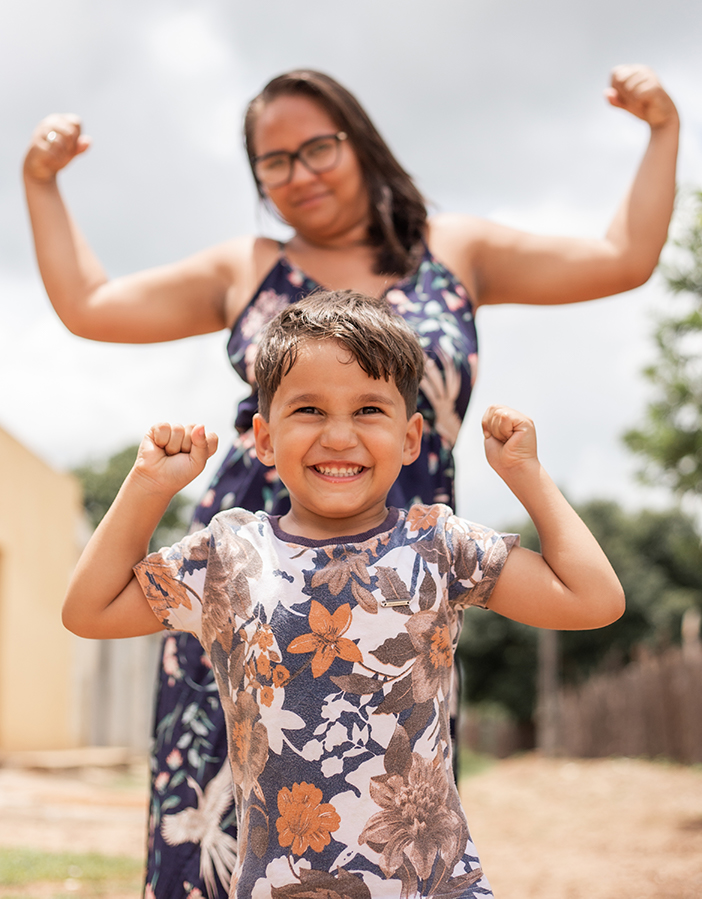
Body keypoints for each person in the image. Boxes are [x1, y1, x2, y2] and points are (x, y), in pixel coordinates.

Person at [23, 64, 677, 898]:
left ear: (360, 143)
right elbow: (89, 303)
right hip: (247, 578)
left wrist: (662, 131)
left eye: (317, 146)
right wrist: (39, 182)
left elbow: (622, 258)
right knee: (222, 820)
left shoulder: (456, 254)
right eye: (274, 161)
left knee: (383, 789)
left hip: (394, 575)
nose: (300, 172)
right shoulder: (248, 266)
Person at [62, 292, 625, 899]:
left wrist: (527, 477)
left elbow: (593, 599)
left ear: (410, 439)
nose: (338, 435)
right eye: (308, 408)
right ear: (264, 437)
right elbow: (88, 610)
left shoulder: (439, 545)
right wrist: (148, 486)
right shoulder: (226, 557)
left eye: (368, 410)